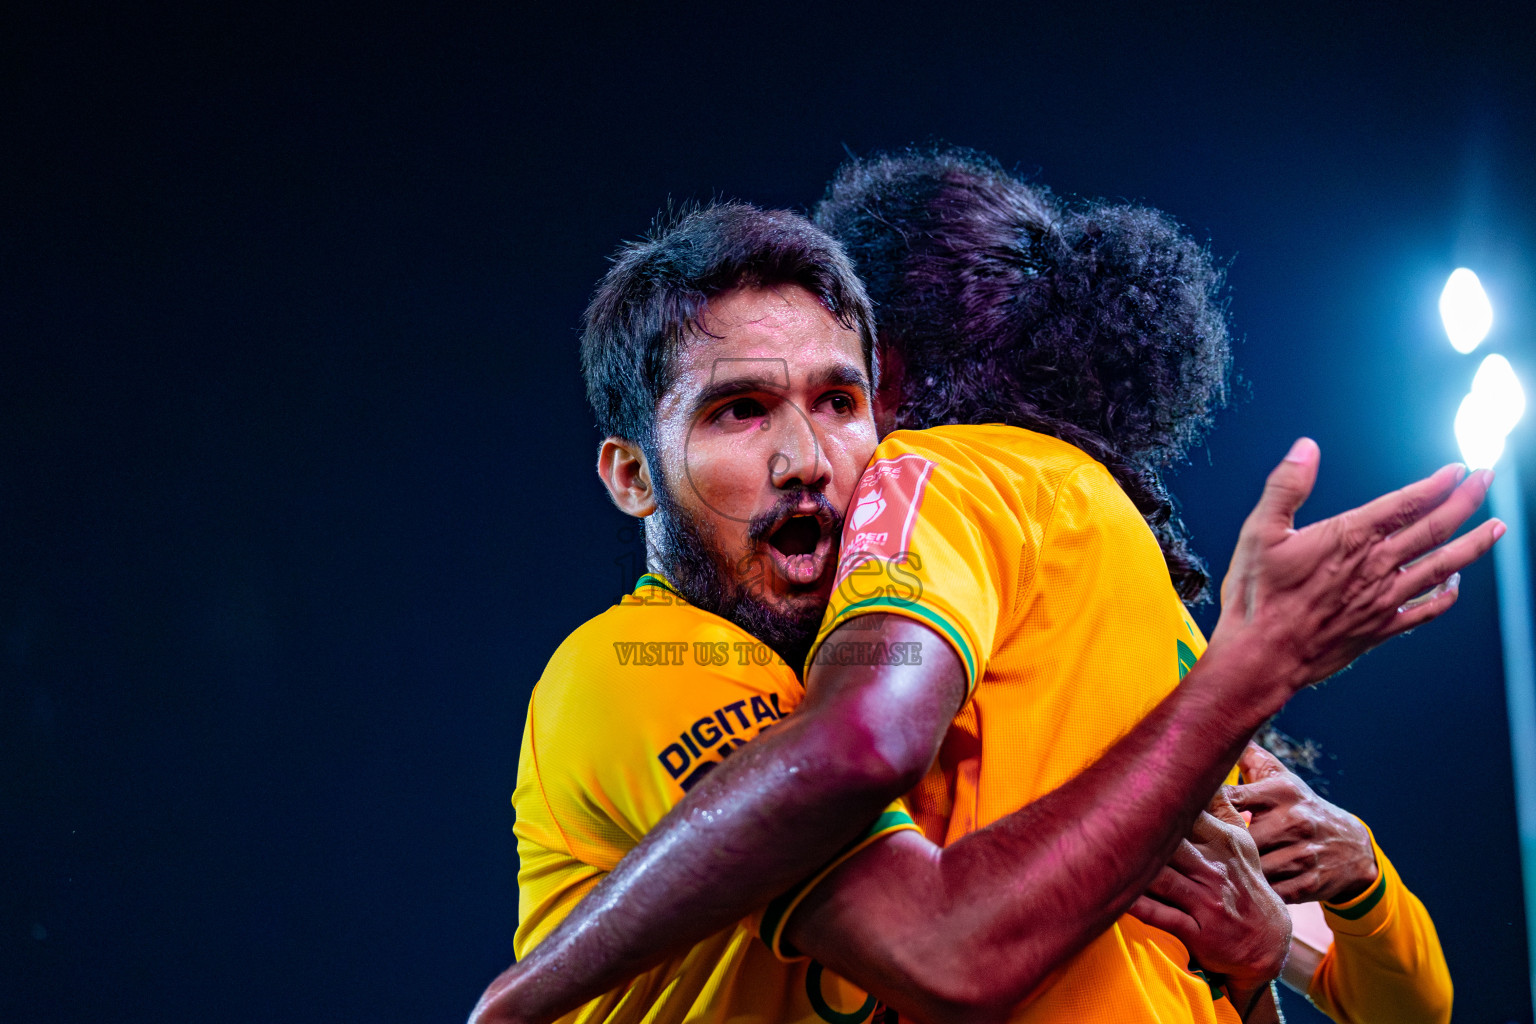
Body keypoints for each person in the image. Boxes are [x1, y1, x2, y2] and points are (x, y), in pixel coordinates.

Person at [472, 198, 1497, 1024]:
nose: (809, 463)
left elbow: (1375, 985)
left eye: (839, 402)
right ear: (629, 476)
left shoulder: (954, 609)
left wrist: (1296, 925)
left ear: (892, 396)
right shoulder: (640, 659)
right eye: (740, 410)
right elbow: (939, 945)